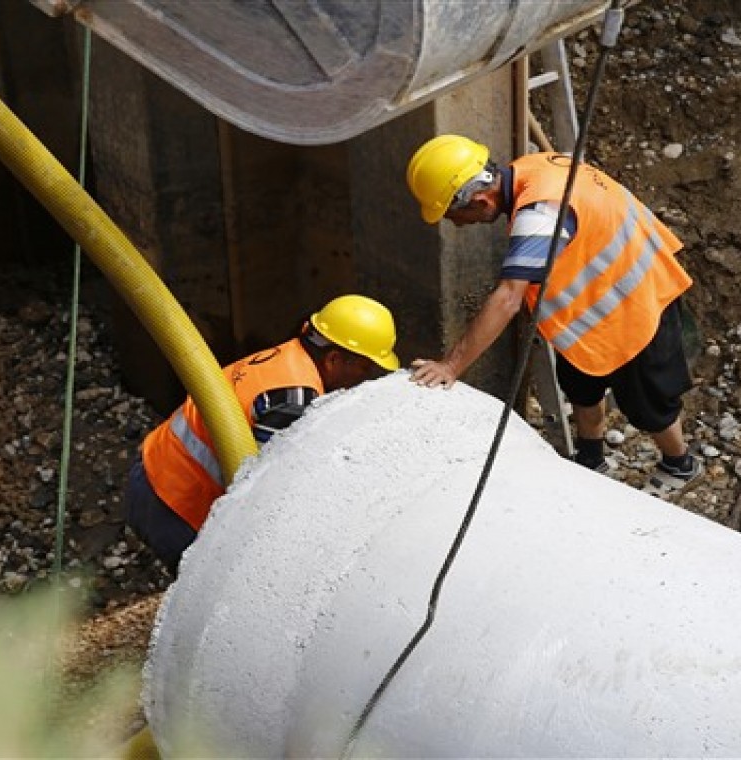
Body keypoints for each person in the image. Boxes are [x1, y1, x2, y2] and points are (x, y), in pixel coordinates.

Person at [404, 134, 702, 500]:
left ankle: (680, 464)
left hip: (634, 305)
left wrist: (451, 366)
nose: (458, 224)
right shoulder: (532, 167)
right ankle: (591, 460)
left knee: (649, 404)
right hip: (597, 309)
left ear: (480, 200)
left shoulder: (541, 213)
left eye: (455, 215)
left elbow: (507, 299)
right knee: (580, 383)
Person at [124, 294, 399, 574]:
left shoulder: (287, 356)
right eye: (365, 367)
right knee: (210, 593)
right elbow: (266, 490)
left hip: (150, 470)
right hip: (175, 505)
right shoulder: (294, 397)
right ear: (334, 359)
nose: (367, 377)